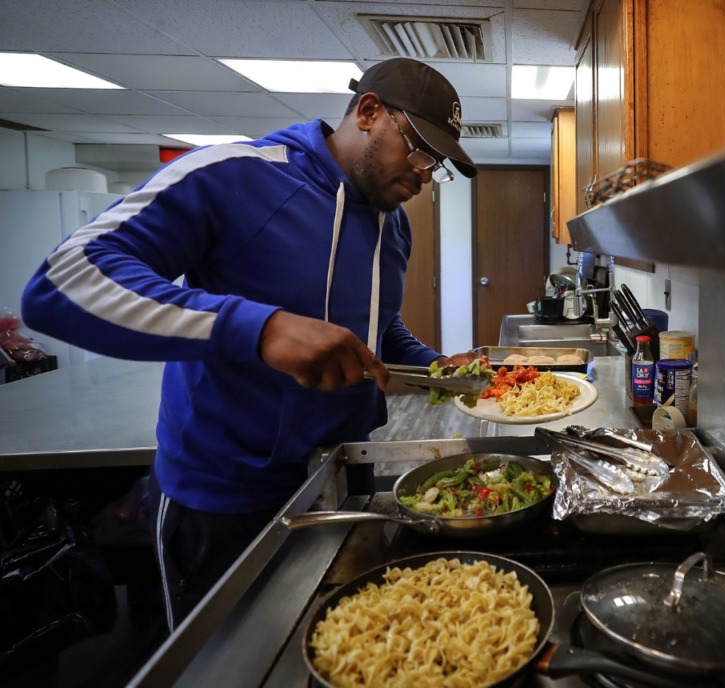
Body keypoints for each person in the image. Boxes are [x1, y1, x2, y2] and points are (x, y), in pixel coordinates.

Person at [19, 57, 478, 631]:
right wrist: (262, 328)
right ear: (368, 112)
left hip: (340, 479)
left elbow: (373, 328)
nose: (424, 172)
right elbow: (64, 283)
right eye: (417, 149)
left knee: (338, 649)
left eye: (436, 163)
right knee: (223, 663)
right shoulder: (236, 175)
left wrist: (436, 368)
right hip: (225, 498)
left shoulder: (393, 223)